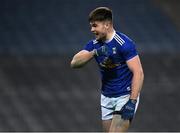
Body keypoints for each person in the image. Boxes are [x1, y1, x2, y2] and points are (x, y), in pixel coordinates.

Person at [70, 7, 144, 132]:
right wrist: (95, 52)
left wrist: (132, 101)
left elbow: (139, 73)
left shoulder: (124, 44)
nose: (92, 29)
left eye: (95, 26)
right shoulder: (94, 45)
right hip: (106, 97)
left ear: (107, 25)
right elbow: (74, 63)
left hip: (125, 96)